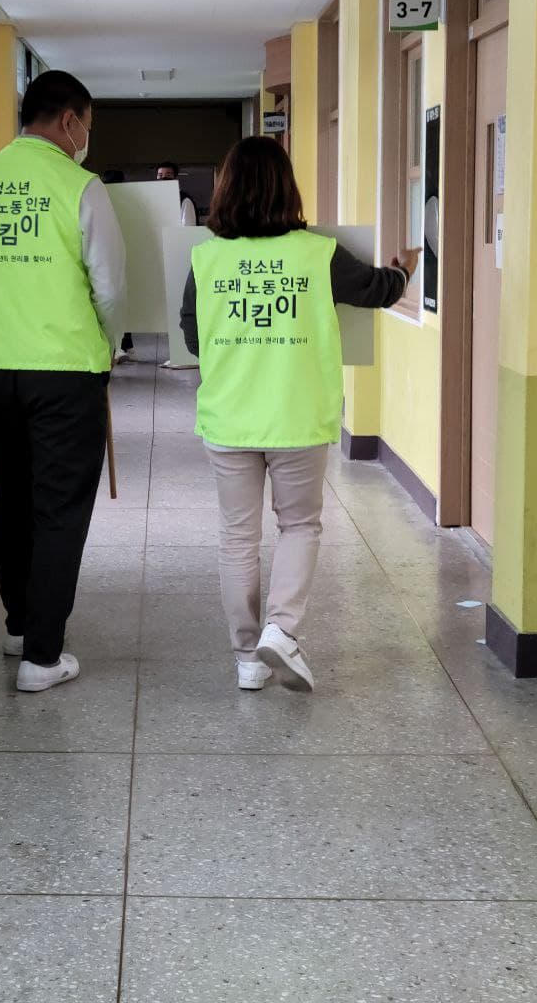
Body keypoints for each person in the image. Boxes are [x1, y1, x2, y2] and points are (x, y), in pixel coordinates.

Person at [179, 137, 418, 692]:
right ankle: (281, 630)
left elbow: (192, 337)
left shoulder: (207, 258)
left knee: (237, 537)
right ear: (287, 188)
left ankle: (245, 659)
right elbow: (378, 292)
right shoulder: (316, 254)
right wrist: (402, 270)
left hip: (229, 415)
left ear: (226, 189)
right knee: (299, 526)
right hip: (297, 414)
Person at [0, 70, 126, 693]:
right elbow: (108, 287)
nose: (86, 139)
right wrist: (111, 345)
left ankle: (20, 626)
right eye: (87, 126)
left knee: (13, 495)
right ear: (71, 122)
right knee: (59, 508)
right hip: (64, 371)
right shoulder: (80, 187)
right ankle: (43, 657)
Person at [100, 170, 136, 361]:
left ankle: (120, 346)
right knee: (124, 301)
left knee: (115, 301)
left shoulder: (102, 201)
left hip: (110, 257)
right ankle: (123, 345)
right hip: (127, 256)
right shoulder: (129, 201)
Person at [157, 160, 198, 226]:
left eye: (168, 175)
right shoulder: (157, 199)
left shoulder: (185, 200)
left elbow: (188, 230)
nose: (164, 178)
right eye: (160, 175)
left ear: (175, 177)